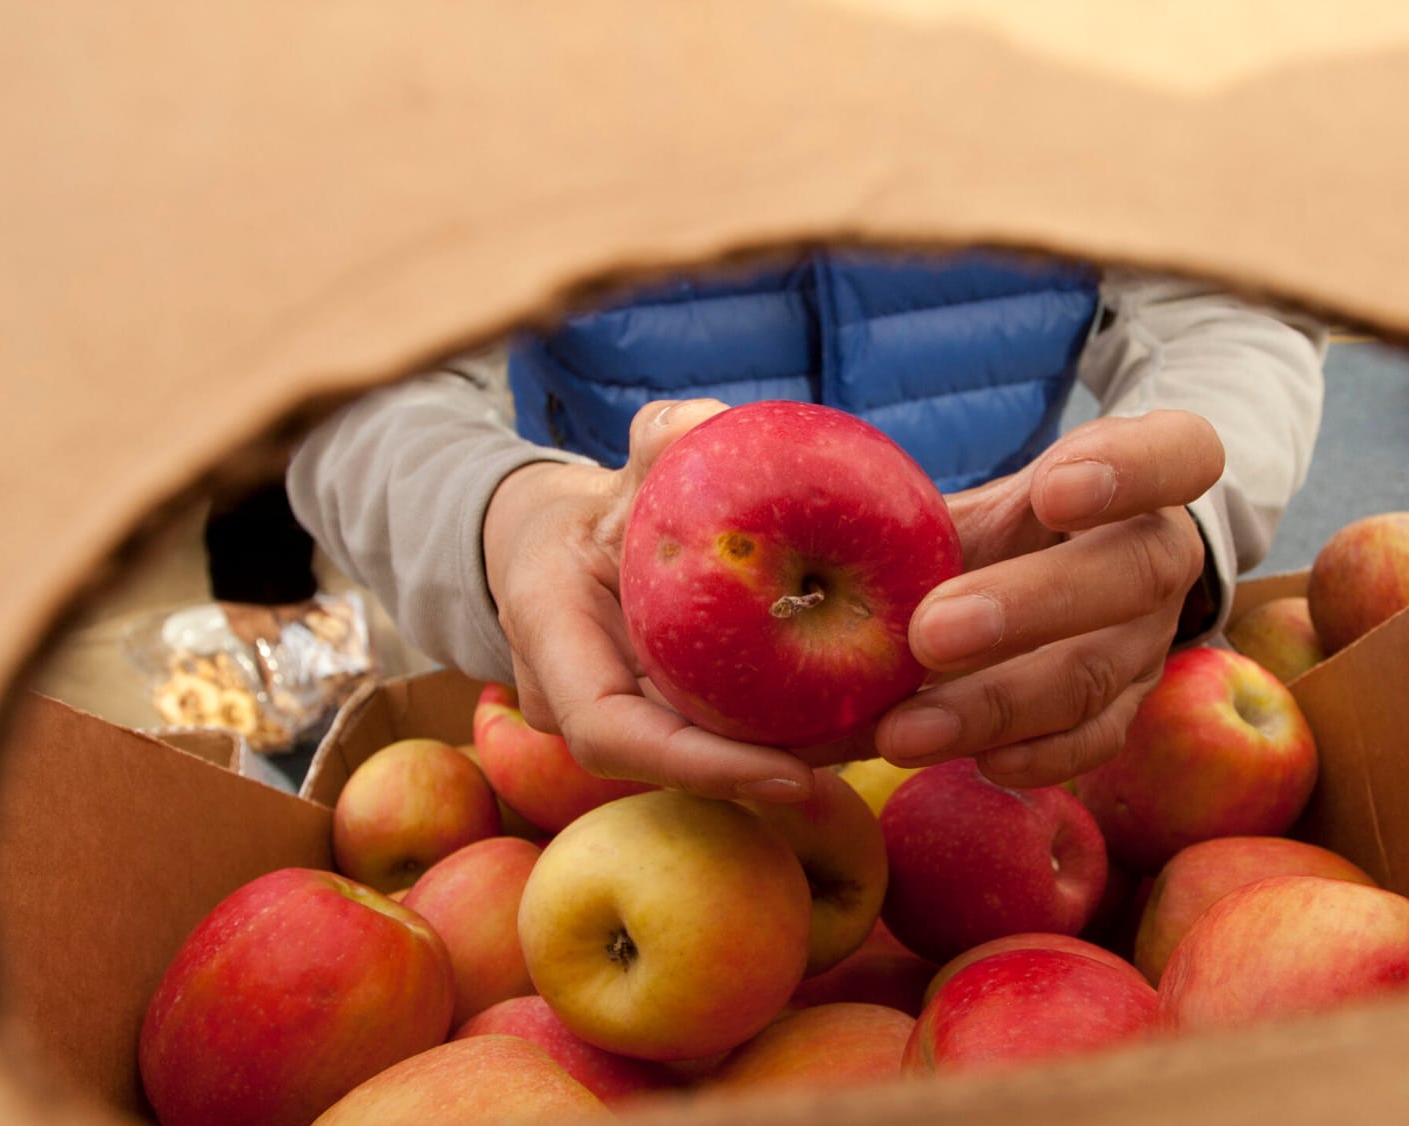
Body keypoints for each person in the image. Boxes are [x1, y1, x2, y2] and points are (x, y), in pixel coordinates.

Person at [286, 246, 1325, 803]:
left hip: (1015, 642)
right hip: (616, 643)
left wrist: (1172, 515)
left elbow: (1226, 297)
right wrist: (499, 516)